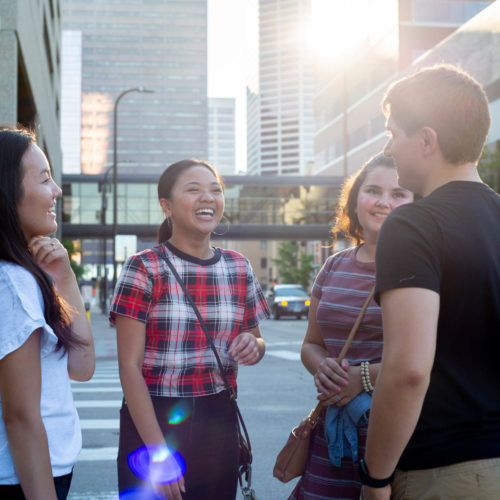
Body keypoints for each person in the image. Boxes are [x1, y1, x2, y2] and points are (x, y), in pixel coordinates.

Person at [360, 65, 500, 500]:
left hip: (444, 471)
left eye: (393, 133)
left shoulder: (413, 224)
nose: (389, 147)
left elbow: (408, 370)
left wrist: (376, 479)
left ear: (426, 139)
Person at [110, 159, 270, 500]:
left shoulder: (238, 266)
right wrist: (158, 452)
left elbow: (256, 339)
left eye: (215, 190)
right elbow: (128, 367)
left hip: (219, 417)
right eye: (193, 190)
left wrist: (254, 345)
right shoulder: (144, 267)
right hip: (155, 416)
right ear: (166, 206)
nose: (207, 198)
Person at [288, 153, 414, 500]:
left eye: (399, 194)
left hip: (395, 434)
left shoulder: (425, 267)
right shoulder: (333, 266)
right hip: (331, 433)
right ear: (355, 201)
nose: (384, 202)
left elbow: (441, 358)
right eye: (373, 190)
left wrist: (364, 377)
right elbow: (311, 344)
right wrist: (323, 367)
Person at [0, 127, 95, 499]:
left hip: (40, 470)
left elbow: (81, 367)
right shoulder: (12, 284)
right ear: (8, 192)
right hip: (24, 478)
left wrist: (65, 279)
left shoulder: (27, 277)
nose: (56, 190)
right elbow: (20, 417)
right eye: (44, 179)